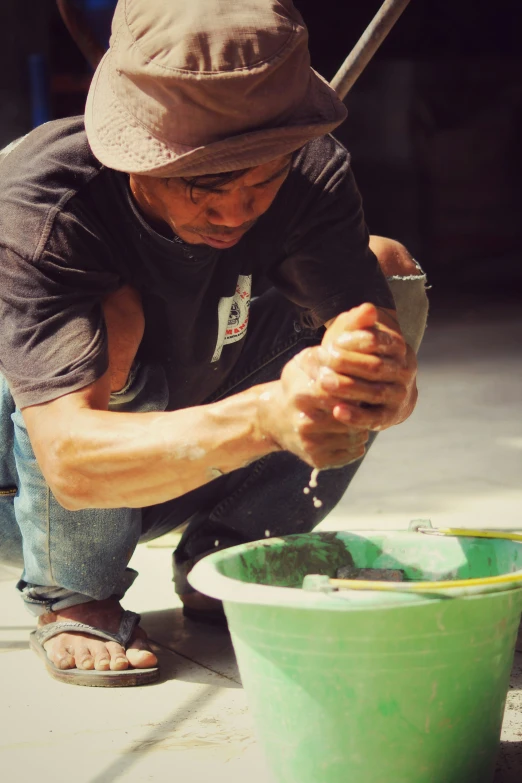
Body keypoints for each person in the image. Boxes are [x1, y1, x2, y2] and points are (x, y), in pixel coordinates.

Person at [0, 0, 428, 686]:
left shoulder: (312, 172)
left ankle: (229, 556)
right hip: (26, 484)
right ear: (133, 151)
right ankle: (74, 592)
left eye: (262, 181)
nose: (234, 213)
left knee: (385, 278)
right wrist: (266, 414)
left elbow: (390, 388)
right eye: (203, 186)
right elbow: (70, 463)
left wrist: (376, 381)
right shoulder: (47, 199)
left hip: (182, 445)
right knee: (119, 320)